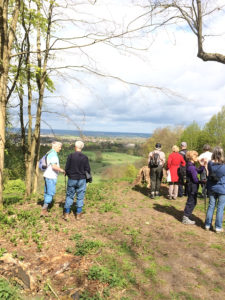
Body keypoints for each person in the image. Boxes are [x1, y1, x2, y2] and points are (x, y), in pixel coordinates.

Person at [64, 141, 91, 220]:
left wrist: (69, 174)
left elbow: (67, 168)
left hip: (72, 179)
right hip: (82, 179)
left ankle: (66, 214)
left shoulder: (70, 156)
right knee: (80, 197)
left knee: (69, 196)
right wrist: (88, 179)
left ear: (75, 147)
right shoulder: (85, 157)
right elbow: (87, 169)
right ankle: (78, 214)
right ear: (81, 148)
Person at [205, 146, 225, 233]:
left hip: (212, 187)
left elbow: (208, 172)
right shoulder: (224, 165)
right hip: (222, 188)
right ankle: (218, 227)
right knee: (220, 208)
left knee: (211, 206)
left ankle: (207, 225)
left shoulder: (210, 163)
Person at [182, 151, 206, 225]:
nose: (197, 158)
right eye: (196, 156)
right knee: (191, 201)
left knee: (193, 201)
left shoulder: (191, 165)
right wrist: (203, 182)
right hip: (192, 186)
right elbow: (195, 180)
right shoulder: (191, 167)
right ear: (192, 157)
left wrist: (202, 165)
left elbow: (198, 171)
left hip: (192, 186)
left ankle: (186, 216)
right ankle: (185, 218)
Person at [41, 141, 65, 216]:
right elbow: (54, 166)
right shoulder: (54, 154)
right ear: (54, 147)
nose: (60, 149)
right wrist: (62, 170)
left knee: (47, 192)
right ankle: (44, 210)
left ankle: (45, 207)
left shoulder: (49, 152)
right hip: (51, 176)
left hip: (46, 175)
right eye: (59, 147)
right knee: (50, 193)